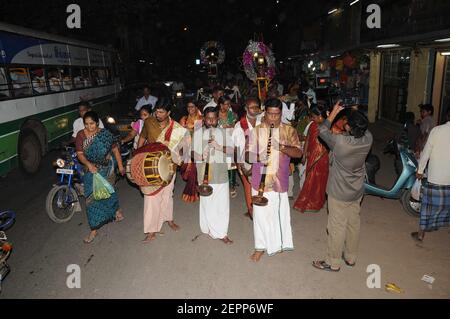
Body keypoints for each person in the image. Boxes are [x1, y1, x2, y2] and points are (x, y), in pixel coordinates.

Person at [312, 102, 373, 272]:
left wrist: (333, 113)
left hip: (339, 191)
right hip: (357, 190)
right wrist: (355, 113)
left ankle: (333, 262)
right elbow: (363, 126)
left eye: (347, 121)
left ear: (349, 127)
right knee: (353, 223)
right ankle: (351, 257)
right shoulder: (368, 138)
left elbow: (322, 130)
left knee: (336, 227)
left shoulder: (341, 142)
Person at [247, 98, 303, 262]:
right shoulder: (256, 131)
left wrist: (283, 148)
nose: (273, 118)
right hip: (260, 179)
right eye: (270, 114)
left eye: (276, 114)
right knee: (259, 215)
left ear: (281, 114)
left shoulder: (289, 130)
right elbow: (246, 155)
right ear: (265, 113)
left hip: (279, 180)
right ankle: (260, 247)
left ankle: (277, 243)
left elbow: (299, 154)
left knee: (278, 214)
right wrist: (258, 156)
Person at [137, 97, 189, 243]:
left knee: (167, 194)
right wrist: (137, 157)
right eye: (156, 111)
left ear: (168, 112)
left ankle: (168, 219)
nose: (157, 115)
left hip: (169, 166)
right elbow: (142, 139)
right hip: (151, 165)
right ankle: (151, 230)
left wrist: (175, 151)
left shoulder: (177, 128)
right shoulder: (149, 122)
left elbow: (184, 148)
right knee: (150, 196)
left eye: (161, 112)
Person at [75, 111, 125, 243]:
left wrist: (120, 166)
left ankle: (115, 210)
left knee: (108, 194)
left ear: (97, 123)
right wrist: (89, 164)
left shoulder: (105, 135)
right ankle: (94, 230)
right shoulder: (81, 135)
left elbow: (115, 150)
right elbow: (80, 154)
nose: (89, 127)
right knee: (91, 200)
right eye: (86, 124)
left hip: (106, 169)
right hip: (90, 171)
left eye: (91, 123)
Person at [195, 106, 234, 244]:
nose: (211, 121)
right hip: (204, 174)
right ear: (204, 119)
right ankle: (207, 228)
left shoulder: (223, 133)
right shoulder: (198, 133)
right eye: (208, 118)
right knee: (207, 203)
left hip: (220, 174)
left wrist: (219, 147)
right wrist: (201, 155)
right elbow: (192, 153)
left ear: (218, 119)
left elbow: (232, 150)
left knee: (222, 205)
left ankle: (222, 232)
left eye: (214, 118)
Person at [411, 107, 450, 242]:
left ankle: (421, 234)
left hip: (436, 177)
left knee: (427, 207)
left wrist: (420, 170)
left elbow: (426, 151)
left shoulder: (437, 130)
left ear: (446, 116)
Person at [293, 104, 330, 213]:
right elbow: (308, 139)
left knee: (320, 180)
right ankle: (309, 201)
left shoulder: (328, 126)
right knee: (309, 179)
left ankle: (317, 203)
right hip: (311, 156)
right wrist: (304, 154)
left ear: (320, 116)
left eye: (314, 116)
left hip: (323, 158)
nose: (312, 119)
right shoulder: (313, 125)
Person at [232, 96, 264, 219]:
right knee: (248, 187)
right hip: (245, 162)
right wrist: (239, 164)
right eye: (252, 107)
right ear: (246, 108)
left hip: (260, 159)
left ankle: (260, 209)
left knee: (261, 186)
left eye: (257, 107)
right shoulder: (239, 126)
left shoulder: (263, 122)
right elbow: (235, 148)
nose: (255, 110)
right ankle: (252, 211)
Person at [180, 100, 203, 202]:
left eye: (192, 107)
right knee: (186, 171)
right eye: (188, 107)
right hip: (186, 148)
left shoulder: (201, 119)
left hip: (198, 148)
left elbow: (200, 134)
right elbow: (179, 135)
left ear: (196, 108)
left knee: (195, 171)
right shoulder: (184, 120)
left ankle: (194, 192)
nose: (190, 109)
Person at [217, 96, 238, 198]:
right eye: (226, 104)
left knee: (231, 165)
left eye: (229, 104)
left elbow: (234, 126)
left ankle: (232, 186)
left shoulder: (231, 114)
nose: (228, 106)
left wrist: (229, 127)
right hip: (218, 143)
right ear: (220, 105)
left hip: (229, 141)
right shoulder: (215, 114)